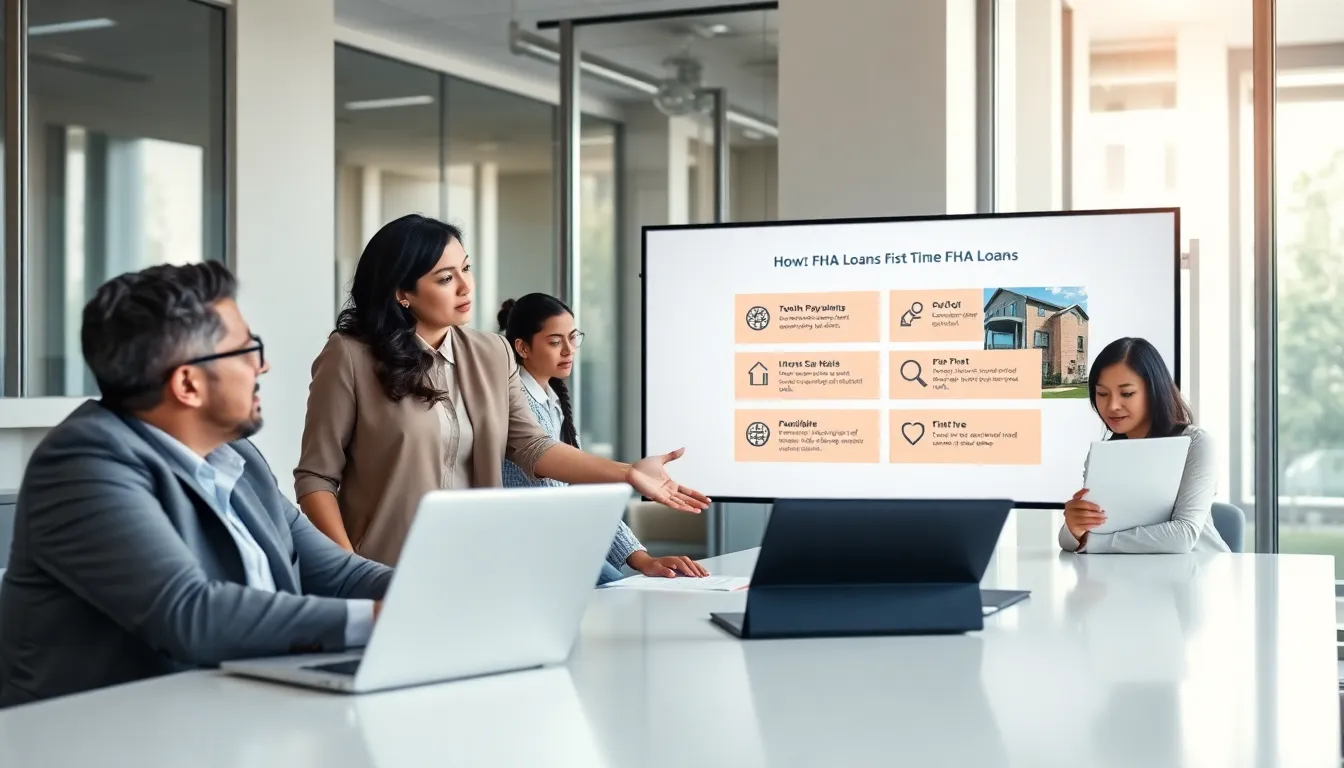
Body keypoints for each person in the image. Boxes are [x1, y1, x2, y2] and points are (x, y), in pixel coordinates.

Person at [0, 262, 393, 708]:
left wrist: (428, 593)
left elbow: (338, 575)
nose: (262, 365)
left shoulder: (236, 456)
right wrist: (381, 619)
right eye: (247, 350)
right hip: (101, 737)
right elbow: (189, 613)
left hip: (236, 710)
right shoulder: (83, 463)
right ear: (188, 383)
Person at [296, 214, 709, 567]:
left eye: (466, 268)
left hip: (474, 567)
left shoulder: (492, 352)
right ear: (402, 293)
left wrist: (628, 472)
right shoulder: (349, 356)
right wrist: (349, 569)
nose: (465, 286)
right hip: (385, 571)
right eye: (445, 278)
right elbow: (316, 478)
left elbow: (533, 447)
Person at [498, 294, 709, 583]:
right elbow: (567, 497)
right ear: (522, 347)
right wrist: (630, 473)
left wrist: (642, 559)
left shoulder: (552, 404)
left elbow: (584, 497)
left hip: (561, 551)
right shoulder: (516, 404)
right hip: (531, 557)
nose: (569, 350)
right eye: (555, 342)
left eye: (573, 338)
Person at [1059, 336, 1228, 554]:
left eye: (1127, 393)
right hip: (1133, 576)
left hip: (1203, 575)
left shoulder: (1195, 444)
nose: (1112, 406)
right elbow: (1069, 542)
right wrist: (1075, 528)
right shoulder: (1104, 454)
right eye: (1102, 393)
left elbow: (1182, 536)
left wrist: (1092, 543)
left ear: (1154, 391)